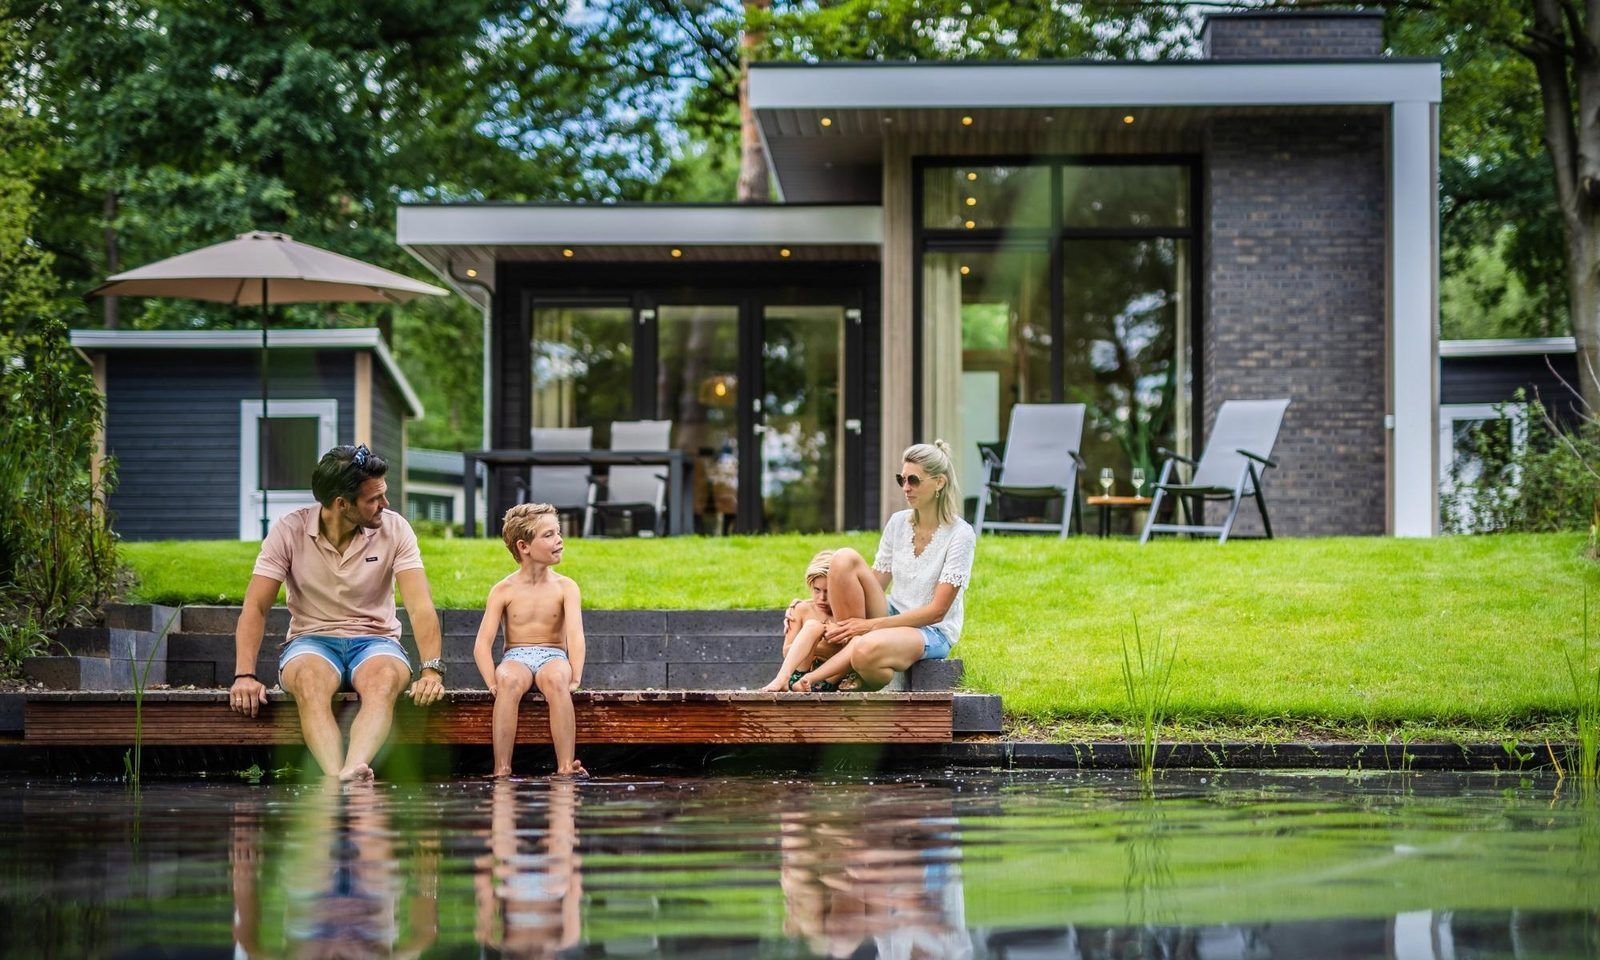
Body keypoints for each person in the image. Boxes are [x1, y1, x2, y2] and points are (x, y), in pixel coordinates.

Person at [229, 444, 445, 781]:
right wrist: (245, 674)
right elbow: (255, 607)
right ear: (342, 503)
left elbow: (420, 606)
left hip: (376, 641)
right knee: (309, 682)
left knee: (384, 679)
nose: (385, 505)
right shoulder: (288, 530)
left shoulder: (395, 528)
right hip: (311, 642)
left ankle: (353, 769)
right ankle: (336, 775)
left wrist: (431, 670)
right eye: (374, 499)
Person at [797, 441, 976, 692]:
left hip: (930, 631)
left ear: (939, 482)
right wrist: (809, 607)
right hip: (890, 612)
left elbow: (937, 611)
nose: (906, 488)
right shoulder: (897, 523)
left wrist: (867, 627)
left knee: (864, 650)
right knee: (843, 558)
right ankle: (843, 662)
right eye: (901, 479)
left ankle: (843, 669)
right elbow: (872, 584)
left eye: (914, 480)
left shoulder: (961, 534)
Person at [474, 502, 588, 778]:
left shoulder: (566, 587)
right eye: (548, 535)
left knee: (555, 679)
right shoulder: (503, 590)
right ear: (524, 546)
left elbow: (575, 634)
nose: (559, 539)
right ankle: (501, 768)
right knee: (509, 680)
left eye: (558, 532)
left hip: (554, 656)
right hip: (517, 656)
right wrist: (492, 680)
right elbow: (482, 643)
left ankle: (565, 767)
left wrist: (575, 675)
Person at [759, 549, 857, 692]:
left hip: (831, 679)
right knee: (813, 626)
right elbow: (786, 652)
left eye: (828, 591)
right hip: (799, 675)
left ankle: (814, 683)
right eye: (817, 590)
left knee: (857, 642)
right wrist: (815, 640)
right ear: (810, 585)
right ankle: (782, 680)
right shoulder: (801, 609)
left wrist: (808, 645)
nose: (821, 598)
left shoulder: (848, 612)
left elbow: (855, 650)